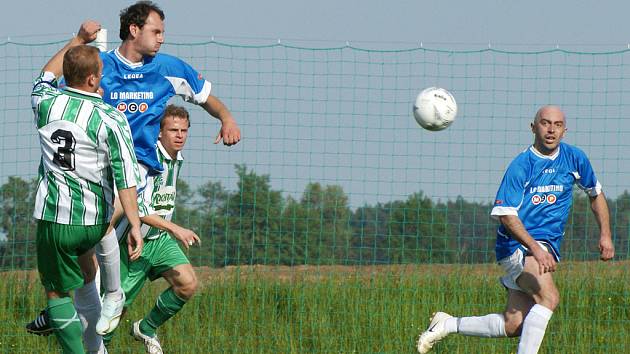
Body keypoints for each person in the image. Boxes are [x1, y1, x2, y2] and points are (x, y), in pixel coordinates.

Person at [27, 1, 241, 349]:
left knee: (103, 224)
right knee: (87, 257)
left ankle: (104, 300)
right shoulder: (100, 65)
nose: (161, 39)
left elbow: (208, 99)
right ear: (134, 30)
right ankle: (76, 311)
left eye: (163, 32)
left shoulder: (169, 68)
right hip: (93, 169)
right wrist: (80, 41)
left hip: (135, 166)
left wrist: (226, 118)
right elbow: (64, 84)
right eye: (156, 31)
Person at [416, 106, 615, 354]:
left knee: (514, 325)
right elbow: (507, 217)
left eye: (557, 124)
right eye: (544, 123)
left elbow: (595, 194)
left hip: (542, 247)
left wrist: (605, 234)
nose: (551, 129)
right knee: (549, 298)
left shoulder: (575, 158)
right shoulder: (521, 165)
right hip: (517, 245)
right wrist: (535, 249)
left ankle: (447, 324)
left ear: (565, 130)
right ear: (533, 128)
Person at [31, 29, 144, 353]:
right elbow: (126, 178)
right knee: (86, 271)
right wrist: (135, 224)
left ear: (68, 75)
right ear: (94, 80)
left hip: (54, 218)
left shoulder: (44, 103)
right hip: (95, 223)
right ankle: (100, 335)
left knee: (56, 293)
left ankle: (80, 350)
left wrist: (78, 38)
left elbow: (44, 76)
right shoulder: (111, 118)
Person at [100, 105, 199, 353]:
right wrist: (177, 229)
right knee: (114, 311)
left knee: (187, 283)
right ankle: (98, 348)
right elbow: (140, 210)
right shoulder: (148, 160)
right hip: (134, 243)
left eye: (184, 130)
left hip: (160, 240)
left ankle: (145, 328)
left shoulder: (177, 158)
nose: (180, 135)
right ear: (159, 131)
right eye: (173, 130)